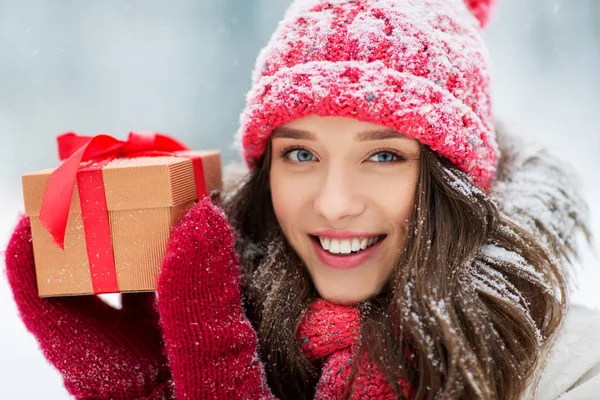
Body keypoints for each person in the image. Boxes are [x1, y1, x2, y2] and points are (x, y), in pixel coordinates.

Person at [5, 0, 600, 399]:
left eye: (385, 156)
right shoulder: (208, 322)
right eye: (301, 155)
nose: (335, 204)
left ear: (456, 183)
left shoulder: (569, 367)